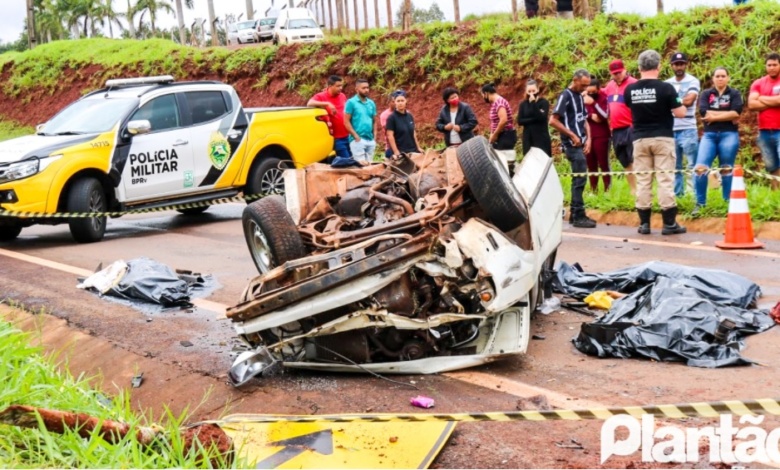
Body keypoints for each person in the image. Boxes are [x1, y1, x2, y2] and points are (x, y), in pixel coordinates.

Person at [624, 49, 688, 235]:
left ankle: (644, 224)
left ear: (639, 67)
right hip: (662, 137)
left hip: (640, 138)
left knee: (643, 180)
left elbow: (629, 107)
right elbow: (680, 112)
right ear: (659, 66)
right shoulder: (667, 88)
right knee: (665, 179)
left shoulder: (630, 89)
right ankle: (669, 224)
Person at [693, 67, 743, 216]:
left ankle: (728, 203)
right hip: (709, 135)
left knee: (726, 168)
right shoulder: (706, 94)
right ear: (713, 78)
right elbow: (703, 111)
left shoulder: (734, 93)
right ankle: (700, 203)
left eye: (723, 76)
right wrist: (727, 115)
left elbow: (736, 112)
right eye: (717, 76)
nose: (720, 78)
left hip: (729, 134)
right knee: (700, 168)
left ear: (728, 78)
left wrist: (714, 117)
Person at [549, 69, 596, 228]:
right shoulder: (565, 96)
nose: (585, 88)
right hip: (571, 145)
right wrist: (572, 135)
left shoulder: (580, 96)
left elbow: (584, 119)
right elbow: (553, 121)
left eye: (587, 86)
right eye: (583, 85)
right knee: (579, 178)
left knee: (581, 177)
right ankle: (577, 215)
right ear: (574, 80)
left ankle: (576, 213)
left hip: (581, 143)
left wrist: (589, 138)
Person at [665, 52, 701, 197]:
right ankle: (678, 195)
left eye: (682, 63)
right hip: (671, 127)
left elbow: (690, 100)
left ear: (686, 64)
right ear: (671, 66)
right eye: (676, 64)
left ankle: (694, 195)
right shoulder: (667, 83)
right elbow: (679, 101)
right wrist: (679, 100)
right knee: (675, 165)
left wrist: (672, 101)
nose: (679, 67)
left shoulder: (693, 81)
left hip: (688, 127)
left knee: (692, 164)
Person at [747, 52, 780, 190]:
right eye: (769, 65)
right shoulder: (759, 83)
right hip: (764, 131)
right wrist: (774, 101)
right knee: (771, 165)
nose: (772, 67)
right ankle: (776, 196)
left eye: (775, 65)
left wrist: (761, 98)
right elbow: (751, 104)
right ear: (765, 66)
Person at [605, 59, 638, 194]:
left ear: (625, 70)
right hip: (616, 129)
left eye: (619, 72)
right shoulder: (609, 86)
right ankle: (633, 190)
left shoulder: (634, 84)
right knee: (625, 161)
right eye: (614, 73)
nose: (617, 75)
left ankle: (641, 191)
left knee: (635, 159)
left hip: (631, 127)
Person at [307, 75, 353, 166]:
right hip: (337, 138)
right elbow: (309, 104)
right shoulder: (321, 96)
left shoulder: (342, 96)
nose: (341, 88)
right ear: (330, 86)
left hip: (348, 135)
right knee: (347, 162)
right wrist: (327, 103)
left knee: (354, 159)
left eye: (341, 85)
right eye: (338, 86)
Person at [583, 77, 611, 191]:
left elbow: (604, 116)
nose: (591, 94)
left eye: (593, 92)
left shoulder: (603, 99)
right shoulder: (582, 99)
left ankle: (607, 189)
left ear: (599, 89)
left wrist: (593, 104)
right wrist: (591, 116)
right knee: (591, 164)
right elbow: (581, 115)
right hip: (588, 136)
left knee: (604, 163)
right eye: (588, 92)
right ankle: (593, 190)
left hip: (602, 135)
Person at [344, 79, 378, 164]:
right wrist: (356, 136)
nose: (366, 90)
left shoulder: (371, 103)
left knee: (370, 165)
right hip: (358, 140)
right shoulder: (351, 102)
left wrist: (374, 138)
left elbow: (374, 121)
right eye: (363, 88)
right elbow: (346, 121)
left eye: (367, 88)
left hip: (370, 139)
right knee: (361, 166)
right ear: (357, 89)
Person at [517, 79, 552, 156]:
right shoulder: (523, 104)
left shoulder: (543, 103)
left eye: (533, 91)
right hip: (528, 138)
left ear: (538, 90)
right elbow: (520, 121)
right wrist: (535, 119)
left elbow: (542, 118)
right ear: (526, 91)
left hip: (541, 137)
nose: (531, 93)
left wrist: (533, 103)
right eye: (529, 91)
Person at [481, 83, 517, 152]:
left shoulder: (499, 102)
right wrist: (492, 133)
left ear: (486, 93)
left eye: (482, 95)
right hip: (500, 136)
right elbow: (494, 121)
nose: (483, 98)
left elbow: (503, 120)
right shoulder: (494, 103)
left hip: (505, 135)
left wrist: (495, 135)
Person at [380, 90, 402, 158]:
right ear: (389, 102)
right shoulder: (385, 115)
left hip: (404, 146)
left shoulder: (405, 113)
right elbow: (389, 133)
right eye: (393, 101)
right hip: (391, 148)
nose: (395, 103)